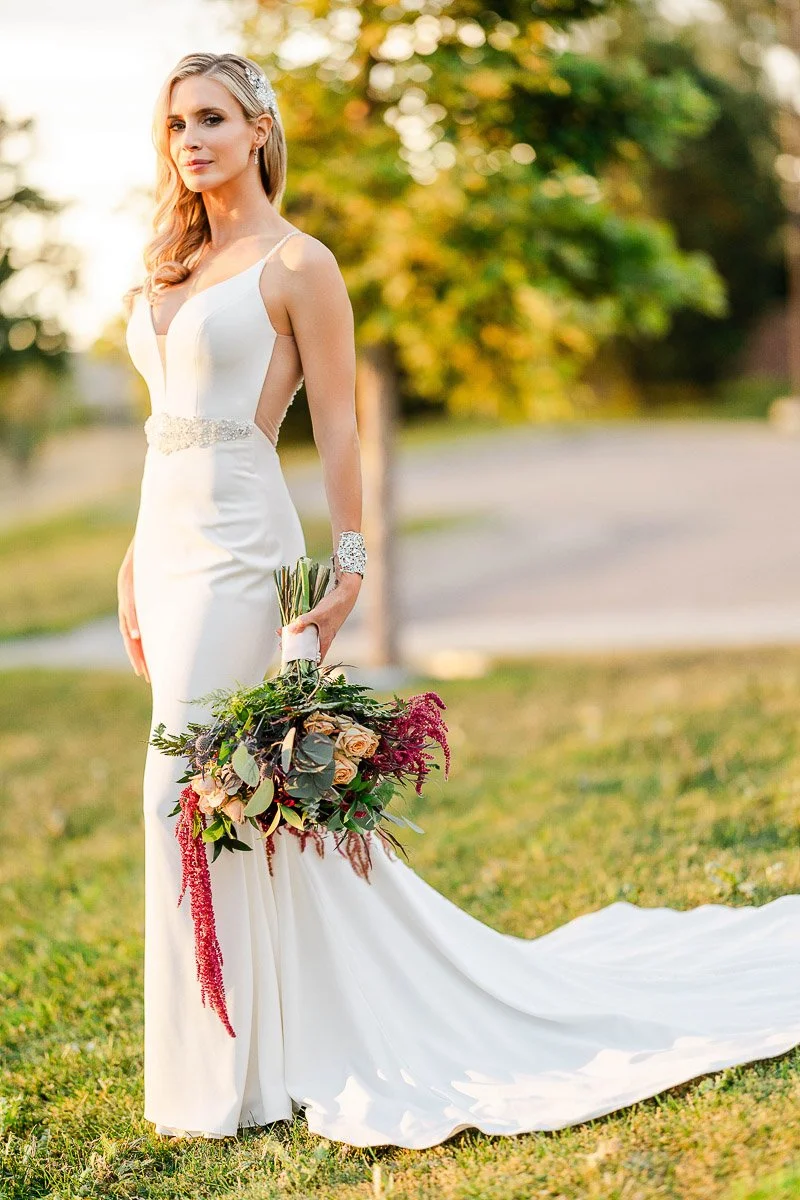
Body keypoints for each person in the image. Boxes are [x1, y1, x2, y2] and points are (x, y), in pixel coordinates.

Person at [118, 51, 800, 1150]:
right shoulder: (170, 262)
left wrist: (349, 567)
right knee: (230, 800)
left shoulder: (298, 263)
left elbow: (338, 426)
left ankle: (224, 1077)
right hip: (165, 545)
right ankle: (249, 1056)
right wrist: (129, 559)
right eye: (174, 125)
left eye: (210, 119)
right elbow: (163, 429)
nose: (188, 141)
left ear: (258, 130)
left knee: (179, 792)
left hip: (244, 548)